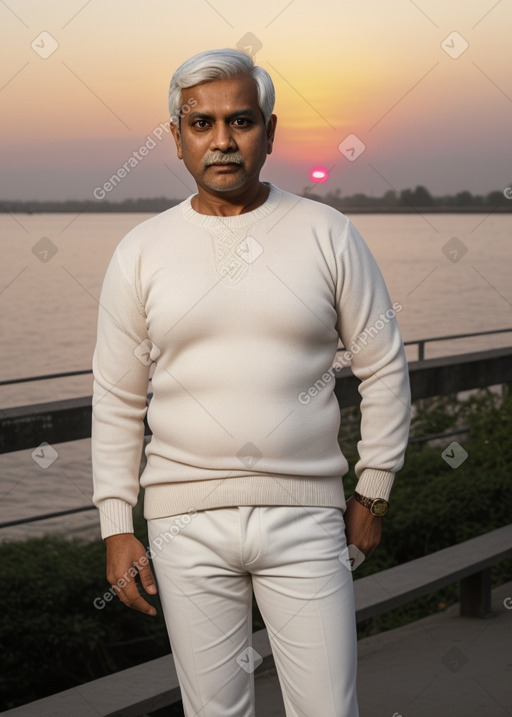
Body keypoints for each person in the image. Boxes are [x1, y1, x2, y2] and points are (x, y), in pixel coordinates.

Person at [91, 47, 411, 717]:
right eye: (201, 123)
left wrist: (374, 489)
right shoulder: (140, 253)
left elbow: (383, 365)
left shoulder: (329, 233)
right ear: (176, 137)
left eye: (241, 121)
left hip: (307, 519)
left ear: (270, 129)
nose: (222, 141)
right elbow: (119, 397)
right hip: (184, 526)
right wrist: (117, 523)